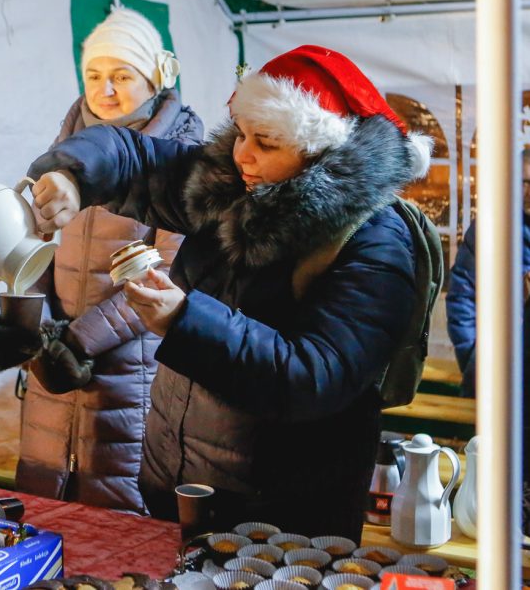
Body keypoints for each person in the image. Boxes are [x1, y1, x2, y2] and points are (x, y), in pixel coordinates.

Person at [27, 45, 432, 540]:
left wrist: (184, 321)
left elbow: (315, 377)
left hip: (284, 521)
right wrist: (73, 176)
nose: (243, 154)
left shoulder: (374, 240)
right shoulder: (232, 185)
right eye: (241, 133)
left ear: (319, 150)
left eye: (265, 141)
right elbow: (132, 154)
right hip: (177, 488)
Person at [15, 6, 203, 513]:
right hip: (53, 366)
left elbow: (168, 269)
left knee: (119, 515)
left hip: (132, 370)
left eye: (123, 76)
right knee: (43, 511)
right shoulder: (63, 151)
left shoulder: (182, 158)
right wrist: (41, 332)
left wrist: (80, 340)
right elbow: (30, 249)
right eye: (95, 75)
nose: (106, 90)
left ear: (156, 79)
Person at [446, 149, 530, 535]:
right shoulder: (492, 227)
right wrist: (472, 356)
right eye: (525, 181)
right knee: (486, 480)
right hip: (494, 374)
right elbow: (462, 296)